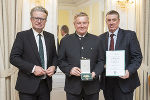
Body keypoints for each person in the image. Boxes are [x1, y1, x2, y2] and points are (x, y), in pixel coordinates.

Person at [10, 6, 57, 100]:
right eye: (36, 18)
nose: (39, 21)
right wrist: (33, 68)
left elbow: (54, 57)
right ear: (31, 19)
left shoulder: (50, 37)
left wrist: (54, 67)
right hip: (27, 86)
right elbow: (13, 58)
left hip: (45, 85)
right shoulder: (22, 36)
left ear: (45, 21)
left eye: (42, 19)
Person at [58, 12, 104, 100]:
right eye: (79, 23)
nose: (82, 25)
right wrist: (70, 69)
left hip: (92, 87)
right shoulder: (65, 41)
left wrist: (95, 73)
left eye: (84, 23)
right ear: (74, 24)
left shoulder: (97, 40)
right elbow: (60, 61)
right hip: (72, 87)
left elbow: (101, 61)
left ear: (88, 24)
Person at [99, 10, 142, 100]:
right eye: (109, 20)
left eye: (114, 20)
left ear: (118, 21)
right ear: (106, 22)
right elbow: (99, 58)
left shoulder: (130, 35)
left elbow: (137, 57)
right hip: (107, 83)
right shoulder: (100, 38)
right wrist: (103, 65)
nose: (111, 22)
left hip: (125, 82)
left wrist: (129, 71)